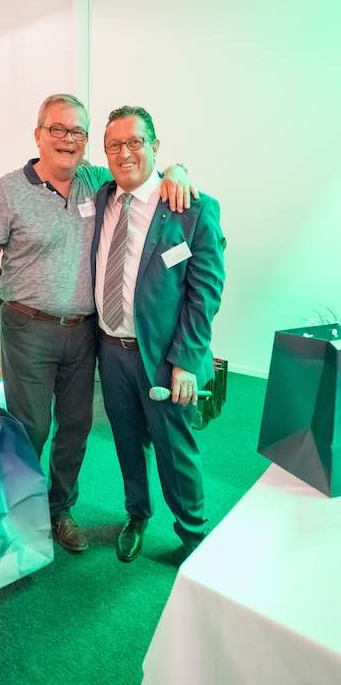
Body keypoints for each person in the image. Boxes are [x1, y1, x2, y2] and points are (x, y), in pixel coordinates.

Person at [0, 93, 196, 553]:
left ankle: (59, 509)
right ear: (38, 135)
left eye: (77, 132)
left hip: (85, 332)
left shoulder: (96, 182)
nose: (67, 139)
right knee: (30, 428)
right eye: (57, 129)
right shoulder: (7, 191)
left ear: (86, 141)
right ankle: (17, 516)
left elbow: (139, 167)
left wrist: (177, 171)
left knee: (75, 426)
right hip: (28, 328)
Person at [92, 106, 225, 562]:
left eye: (136, 142)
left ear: (155, 146)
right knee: (127, 440)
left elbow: (205, 293)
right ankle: (136, 513)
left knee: (175, 447)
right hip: (111, 351)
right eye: (114, 145)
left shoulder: (191, 208)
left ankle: (193, 534)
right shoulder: (102, 198)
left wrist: (185, 360)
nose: (125, 153)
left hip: (166, 356)